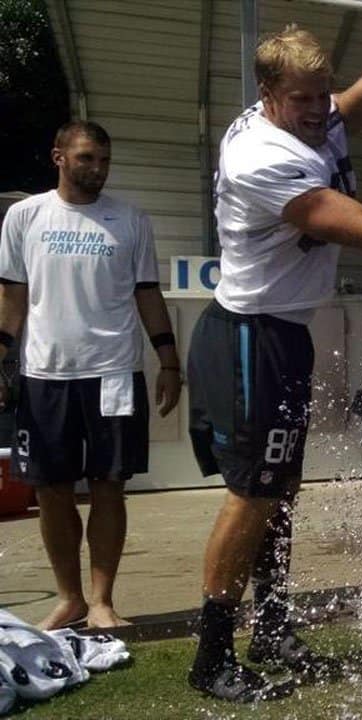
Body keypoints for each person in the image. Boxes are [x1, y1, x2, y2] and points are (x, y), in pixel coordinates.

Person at [186, 22, 362, 702]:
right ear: (268, 94)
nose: (317, 111)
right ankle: (212, 656)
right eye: (302, 99)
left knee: (279, 490)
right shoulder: (263, 158)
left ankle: (270, 625)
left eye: (320, 96)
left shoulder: (312, 116)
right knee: (251, 495)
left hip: (285, 331)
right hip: (251, 336)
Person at [0, 121, 181, 630]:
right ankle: (69, 597)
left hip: (115, 373)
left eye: (103, 160)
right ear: (58, 156)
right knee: (51, 490)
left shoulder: (130, 219)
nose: (96, 169)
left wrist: (168, 359)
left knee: (109, 487)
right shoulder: (24, 216)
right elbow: (13, 297)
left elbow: (148, 292)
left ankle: (102, 601)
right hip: (44, 374)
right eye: (85, 159)